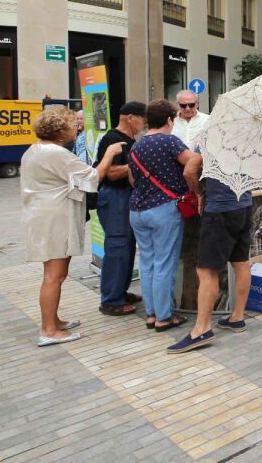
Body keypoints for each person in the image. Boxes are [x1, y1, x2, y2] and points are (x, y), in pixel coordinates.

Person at [21, 108, 123, 346]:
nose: (77, 127)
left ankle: (53, 321)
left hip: (44, 216)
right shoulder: (57, 153)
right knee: (54, 276)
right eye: (72, 123)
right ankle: (48, 330)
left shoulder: (36, 149)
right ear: (59, 129)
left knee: (56, 274)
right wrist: (109, 153)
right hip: (54, 219)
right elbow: (92, 177)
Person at [127, 100, 201, 333]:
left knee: (147, 262)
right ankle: (164, 316)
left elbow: (132, 179)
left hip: (137, 209)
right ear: (170, 120)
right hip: (163, 209)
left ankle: (151, 314)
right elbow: (193, 162)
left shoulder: (137, 145)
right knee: (165, 263)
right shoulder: (169, 141)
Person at [167, 174, 255, 354]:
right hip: (244, 205)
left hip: (219, 209)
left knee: (206, 271)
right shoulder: (249, 153)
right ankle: (237, 317)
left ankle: (202, 329)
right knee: (241, 262)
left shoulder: (212, 151)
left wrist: (200, 193)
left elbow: (189, 170)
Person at [95, 101, 147, 317]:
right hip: (114, 197)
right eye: (143, 118)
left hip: (126, 197)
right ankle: (111, 300)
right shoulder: (113, 139)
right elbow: (111, 173)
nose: (144, 123)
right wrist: (139, 164)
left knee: (127, 247)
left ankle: (120, 291)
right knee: (117, 247)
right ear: (130, 117)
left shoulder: (130, 139)